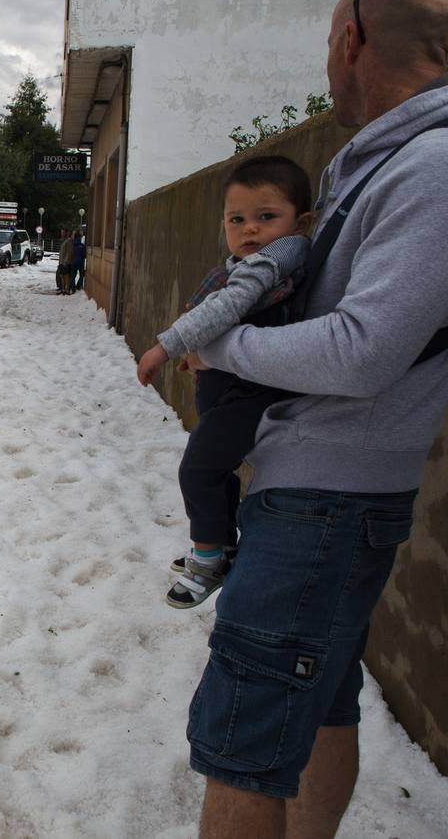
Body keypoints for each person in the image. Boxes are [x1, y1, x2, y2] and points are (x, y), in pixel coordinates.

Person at [183, 0, 448, 838]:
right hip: (322, 494)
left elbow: (362, 353)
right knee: (319, 703)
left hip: (326, 502)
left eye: (328, 41)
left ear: (351, 40)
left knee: (242, 742)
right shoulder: (394, 160)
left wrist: (220, 344)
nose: (326, 59)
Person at [135, 156, 313, 608]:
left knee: (197, 471)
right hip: (230, 389)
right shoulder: (256, 260)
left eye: (266, 216)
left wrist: (167, 346)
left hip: (248, 393)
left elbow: (224, 308)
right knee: (216, 472)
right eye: (237, 219)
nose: (250, 229)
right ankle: (222, 544)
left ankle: (208, 559)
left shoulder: (271, 261)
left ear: (301, 223)